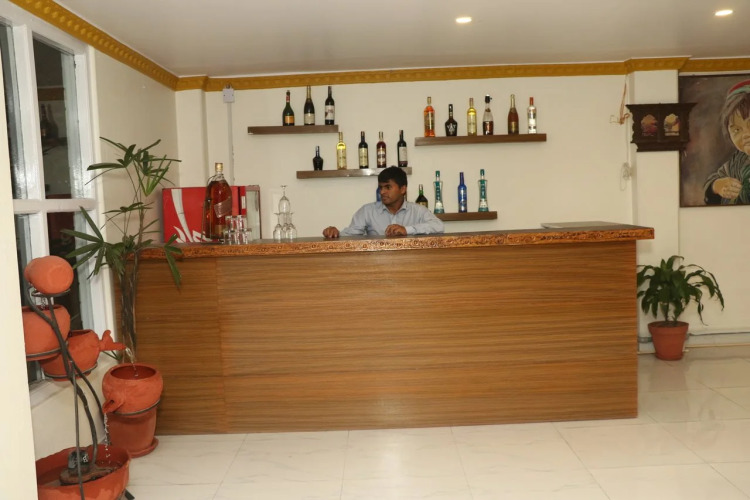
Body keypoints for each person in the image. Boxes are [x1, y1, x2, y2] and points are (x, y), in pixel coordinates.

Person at [323, 166, 444, 237]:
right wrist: (335, 233)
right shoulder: (367, 211)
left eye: (388, 187)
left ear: (403, 189)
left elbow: (439, 226)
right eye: (381, 187)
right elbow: (351, 234)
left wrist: (407, 230)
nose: (382, 192)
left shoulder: (418, 210)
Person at [703, 79, 750, 205]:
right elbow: (713, 180)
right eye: (737, 130)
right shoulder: (737, 161)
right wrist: (718, 186)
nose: (745, 134)